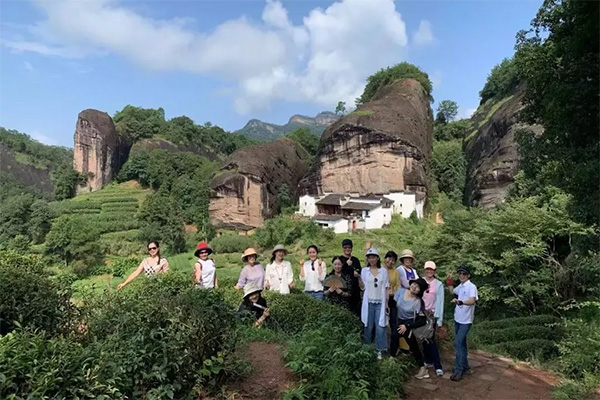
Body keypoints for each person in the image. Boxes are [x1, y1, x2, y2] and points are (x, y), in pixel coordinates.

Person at [447, 265, 478, 382]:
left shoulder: (471, 286)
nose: (461, 275)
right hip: (458, 319)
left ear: (468, 275)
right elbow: (452, 291)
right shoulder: (461, 286)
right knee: (462, 344)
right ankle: (465, 367)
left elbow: (472, 300)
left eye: (464, 274)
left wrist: (460, 301)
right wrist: (449, 280)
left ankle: (458, 371)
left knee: (457, 343)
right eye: (460, 273)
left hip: (466, 321)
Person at [394, 277, 430, 379]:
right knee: (394, 337)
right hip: (398, 321)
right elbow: (393, 304)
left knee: (413, 346)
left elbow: (422, 320)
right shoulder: (401, 292)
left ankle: (423, 368)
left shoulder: (418, 302)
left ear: (420, 291)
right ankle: (392, 362)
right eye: (414, 284)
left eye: (418, 287)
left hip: (409, 324)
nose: (415, 287)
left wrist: (408, 325)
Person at [359, 248, 389, 359]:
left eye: (374, 257)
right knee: (368, 325)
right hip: (368, 302)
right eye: (369, 257)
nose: (372, 259)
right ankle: (367, 348)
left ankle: (379, 349)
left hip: (380, 303)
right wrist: (359, 279)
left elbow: (386, 288)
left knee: (380, 326)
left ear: (377, 258)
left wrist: (386, 303)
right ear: (367, 259)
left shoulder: (384, 271)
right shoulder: (364, 271)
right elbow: (362, 287)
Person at [422, 261, 444, 376]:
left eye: (431, 269)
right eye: (427, 269)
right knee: (424, 338)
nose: (429, 271)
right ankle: (428, 360)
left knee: (431, 339)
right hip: (421, 313)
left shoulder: (439, 284)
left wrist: (439, 320)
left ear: (434, 271)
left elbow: (440, 302)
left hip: (432, 315)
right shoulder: (420, 281)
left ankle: (438, 365)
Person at [384, 251, 402, 357]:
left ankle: (393, 351)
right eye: (388, 258)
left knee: (394, 325)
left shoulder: (395, 272)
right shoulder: (380, 270)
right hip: (381, 300)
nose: (390, 261)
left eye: (392, 260)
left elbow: (398, 286)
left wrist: (393, 293)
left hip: (392, 300)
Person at [339, 238, 362, 316]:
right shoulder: (340, 259)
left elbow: (359, 272)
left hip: (355, 291)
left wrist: (357, 273)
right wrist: (348, 266)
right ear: (342, 248)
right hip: (344, 291)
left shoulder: (356, 260)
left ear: (352, 248)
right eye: (345, 247)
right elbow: (339, 273)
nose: (347, 249)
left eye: (349, 247)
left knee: (356, 313)